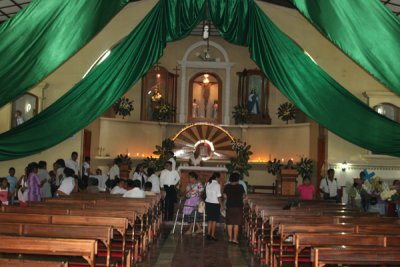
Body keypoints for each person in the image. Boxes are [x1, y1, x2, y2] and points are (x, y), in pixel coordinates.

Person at [224, 172, 246, 244]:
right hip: (238, 206)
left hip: (229, 206)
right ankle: (235, 239)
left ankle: (230, 238)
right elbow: (243, 196)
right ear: (237, 179)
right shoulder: (240, 186)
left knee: (229, 223)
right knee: (236, 224)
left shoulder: (227, 186)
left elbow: (225, 196)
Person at [205, 172, 223, 241]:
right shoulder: (217, 185)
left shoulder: (208, 183)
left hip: (208, 203)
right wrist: (221, 205)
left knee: (209, 219)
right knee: (214, 220)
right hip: (215, 204)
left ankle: (208, 234)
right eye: (219, 178)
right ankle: (212, 235)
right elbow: (219, 196)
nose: (219, 179)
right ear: (217, 178)